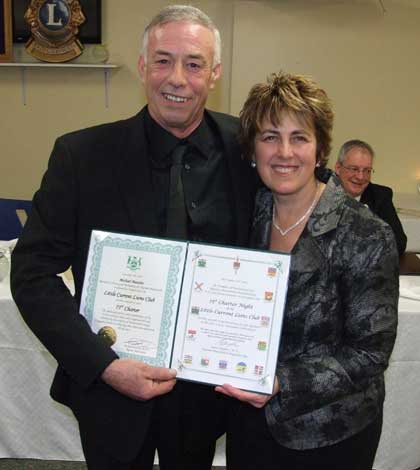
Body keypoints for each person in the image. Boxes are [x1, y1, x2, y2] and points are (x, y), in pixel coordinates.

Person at [10, 5, 255, 470]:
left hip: (206, 394)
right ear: (143, 67)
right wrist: (102, 364)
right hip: (111, 388)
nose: (177, 78)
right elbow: (31, 273)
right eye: (163, 61)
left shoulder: (248, 148)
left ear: (215, 73)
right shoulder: (81, 156)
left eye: (194, 63)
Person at [215, 72, 399, 470]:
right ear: (253, 150)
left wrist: (282, 382)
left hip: (331, 433)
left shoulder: (366, 233)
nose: (284, 152)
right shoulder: (246, 214)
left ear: (320, 150)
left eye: (299, 137)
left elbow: (370, 354)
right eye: (270, 137)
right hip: (249, 423)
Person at [335, 139, 407, 255]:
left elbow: (399, 243)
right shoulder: (321, 192)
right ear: (338, 168)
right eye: (354, 169)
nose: (361, 177)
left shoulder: (380, 196)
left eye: (367, 171)